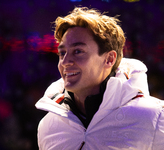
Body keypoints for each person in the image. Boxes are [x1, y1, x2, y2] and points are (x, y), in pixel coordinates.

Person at [35, 7, 164, 150]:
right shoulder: (48, 127)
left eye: (78, 51)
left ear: (109, 59)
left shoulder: (154, 117)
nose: (65, 62)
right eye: (62, 53)